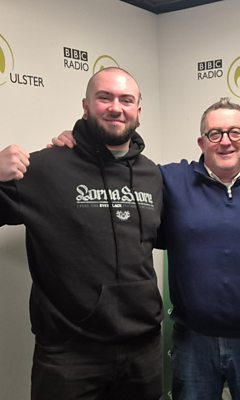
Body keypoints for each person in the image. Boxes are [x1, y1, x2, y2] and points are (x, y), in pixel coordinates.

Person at [50, 97, 240, 400]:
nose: (225, 141)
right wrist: (80, 145)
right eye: (215, 134)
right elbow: (115, 169)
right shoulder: (170, 179)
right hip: (193, 341)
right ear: (201, 142)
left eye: (234, 132)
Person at [0, 67, 163, 400]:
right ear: (86, 106)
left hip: (143, 349)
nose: (116, 107)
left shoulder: (153, 175)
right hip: (69, 355)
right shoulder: (44, 168)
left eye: (126, 100)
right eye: (104, 98)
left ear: (138, 111)